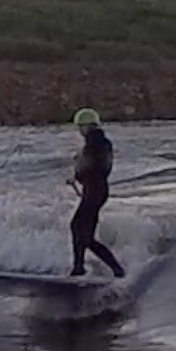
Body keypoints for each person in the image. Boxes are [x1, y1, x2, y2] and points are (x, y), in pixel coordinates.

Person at [66, 108, 126, 278]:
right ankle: (80, 268)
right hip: (95, 191)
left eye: (80, 127)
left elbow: (93, 166)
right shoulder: (99, 142)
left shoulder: (96, 141)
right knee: (80, 230)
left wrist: (79, 167)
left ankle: (115, 270)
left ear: (87, 126)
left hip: (95, 192)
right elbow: (95, 165)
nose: (79, 131)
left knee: (82, 233)